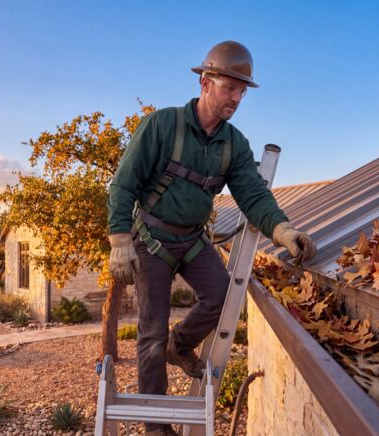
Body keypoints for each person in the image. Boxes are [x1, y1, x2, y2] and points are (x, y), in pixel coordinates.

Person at [107, 40, 316, 436]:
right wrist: (119, 239)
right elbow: (123, 183)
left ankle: (179, 347)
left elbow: (254, 195)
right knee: (150, 331)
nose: (236, 97)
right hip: (151, 239)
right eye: (228, 87)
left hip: (192, 239)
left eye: (242, 90)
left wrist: (284, 230)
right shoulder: (162, 125)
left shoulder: (234, 145)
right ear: (205, 82)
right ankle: (156, 426)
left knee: (222, 297)